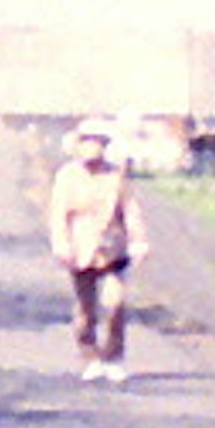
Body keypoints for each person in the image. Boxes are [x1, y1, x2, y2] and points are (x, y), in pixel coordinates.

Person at [46, 126, 136, 364]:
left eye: (97, 142)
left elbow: (129, 209)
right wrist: (61, 243)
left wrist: (139, 239)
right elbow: (58, 214)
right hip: (80, 249)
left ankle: (114, 356)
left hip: (112, 249)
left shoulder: (115, 175)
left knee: (115, 302)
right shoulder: (67, 176)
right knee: (86, 311)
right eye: (86, 141)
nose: (91, 147)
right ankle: (89, 354)